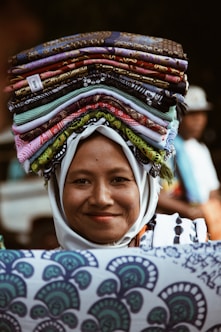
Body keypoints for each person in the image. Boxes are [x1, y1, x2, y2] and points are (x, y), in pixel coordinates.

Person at [4, 31, 209, 249]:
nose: (101, 199)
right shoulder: (39, 275)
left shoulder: (188, 248)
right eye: (82, 181)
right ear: (57, 186)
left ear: (145, 184)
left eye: (119, 179)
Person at [157, 85, 221, 240]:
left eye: (202, 114)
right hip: (176, 222)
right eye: (192, 114)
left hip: (206, 219)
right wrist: (189, 210)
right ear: (178, 115)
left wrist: (208, 210)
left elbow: (213, 191)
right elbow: (156, 194)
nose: (199, 120)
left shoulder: (201, 150)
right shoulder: (164, 148)